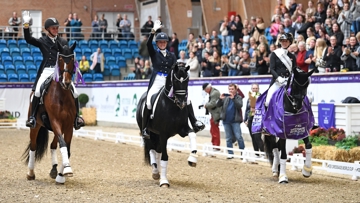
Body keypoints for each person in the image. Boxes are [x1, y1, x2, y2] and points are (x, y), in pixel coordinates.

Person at [141, 20, 204, 139]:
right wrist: (153, 31)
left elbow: (175, 68)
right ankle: (145, 128)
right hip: (157, 81)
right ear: (158, 43)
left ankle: (194, 122)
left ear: (166, 43)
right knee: (149, 101)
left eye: (164, 42)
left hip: (169, 81)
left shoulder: (172, 55)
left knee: (187, 99)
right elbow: (148, 44)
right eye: (160, 42)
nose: (162, 44)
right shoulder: (154, 54)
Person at [22, 11, 84, 130]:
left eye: (56, 28)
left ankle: (77, 118)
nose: (56, 30)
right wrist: (26, 25)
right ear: (48, 29)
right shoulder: (42, 41)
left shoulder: (63, 42)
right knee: (37, 92)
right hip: (46, 70)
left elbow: (68, 57)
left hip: (60, 71)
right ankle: (33, 117)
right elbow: (28, 39)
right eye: (53, 28)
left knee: (75, 92)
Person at [265, 33, 297, 107]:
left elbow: (294, 70)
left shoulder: (292, 56)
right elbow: (272, 69)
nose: (284, 43)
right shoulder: (275, 54)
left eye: (286, 41)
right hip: (277, 81)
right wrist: (278, 78)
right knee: (268, 101)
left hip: (289, 82)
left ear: (289, 42)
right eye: (282, 41)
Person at [217, 83, 245, 159]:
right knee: (228, 138)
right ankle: (230, 153)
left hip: (235, 120)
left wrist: (234, 99)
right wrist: (220, 99)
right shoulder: (226, 97)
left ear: (236, 89)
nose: (231, 90)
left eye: (232, 89)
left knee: (239, 137)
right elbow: (218, 105)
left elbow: (239, 106)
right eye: (230, 89)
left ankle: (243, 153)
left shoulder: (238, 97)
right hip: (226, 121)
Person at [244, 83, 264, 157]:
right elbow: (247, 110)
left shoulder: (262, 97)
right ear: (251, 89)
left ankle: (263, 152)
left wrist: (257, 110)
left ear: (258, 89)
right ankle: (256, 153)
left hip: (258, 119)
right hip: (250, 118)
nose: (255, 90)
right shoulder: (249, 98)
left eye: (256, 88)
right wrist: (245, 119)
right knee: (252, 136)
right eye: (253, 88)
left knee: (257, 136)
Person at [202, 83, 221, 151]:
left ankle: (216, 146)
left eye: (205, 90)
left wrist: (206, 105)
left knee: (214, 130)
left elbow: (213, 104)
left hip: (216, 113)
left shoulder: (213, 93)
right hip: (214, 113)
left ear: (207, 89)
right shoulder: (213, 92)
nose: (205, 91)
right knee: (213, 129)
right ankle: (214, 144)